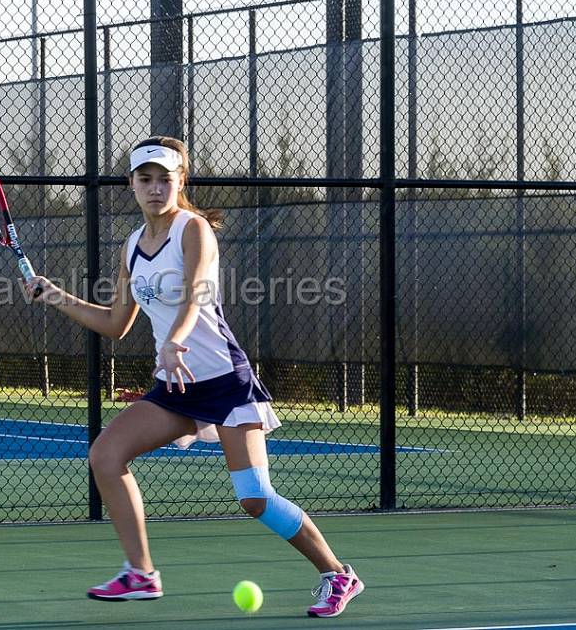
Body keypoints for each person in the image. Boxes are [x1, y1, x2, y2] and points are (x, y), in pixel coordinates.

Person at [21, 136, 363, 618]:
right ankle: (140, 574)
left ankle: (337, 574)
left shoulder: (194, 229)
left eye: (166, 178)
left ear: (181, 181)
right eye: (146, 179)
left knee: (254, 498)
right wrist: (55, 295)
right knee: (106, 453)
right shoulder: (132, 248)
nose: (156, 188)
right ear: (132, 185)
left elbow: (195, 297)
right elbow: (117, 324)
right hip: (175, 387)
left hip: (223, 381)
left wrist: (174, 340)